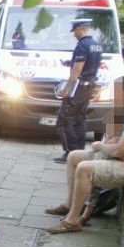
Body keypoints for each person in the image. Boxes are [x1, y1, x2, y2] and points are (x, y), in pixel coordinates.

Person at [45, 76, 124, 234]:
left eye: (116, 94)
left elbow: (119, 151)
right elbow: (119, 144)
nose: (113, 98)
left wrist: (100, 145)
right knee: (74, 157)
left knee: (85, 169)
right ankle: (69, 205)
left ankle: (72, 220)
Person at [53, 19, 104, 163]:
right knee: (80, 119)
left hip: (79, 87)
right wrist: (70, 62)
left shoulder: (82, 45)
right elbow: (91, 63)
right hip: (89, 86)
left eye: (75, 31)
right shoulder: (96, 45)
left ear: (81, 29)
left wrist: (66, 88)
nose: (74, 34)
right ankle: (80, 151)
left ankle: (70, 153)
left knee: (65, 119)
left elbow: (77, 69)